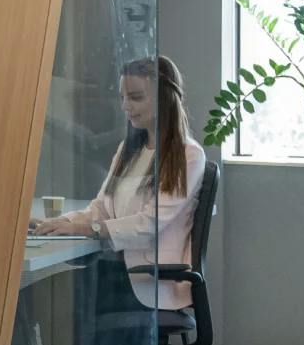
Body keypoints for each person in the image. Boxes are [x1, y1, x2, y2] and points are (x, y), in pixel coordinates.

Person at [32, 55, 209, 314]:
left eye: (136, 97)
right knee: (36, 297)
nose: (126, 106)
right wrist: (60, 223)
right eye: (123, 98)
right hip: (116, 269)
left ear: (164, 99)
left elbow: (149, 224)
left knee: (51, 303)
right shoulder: (128, 150)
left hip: (148, 279)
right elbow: (100, 209)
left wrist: (88, 228)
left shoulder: (187, 155)